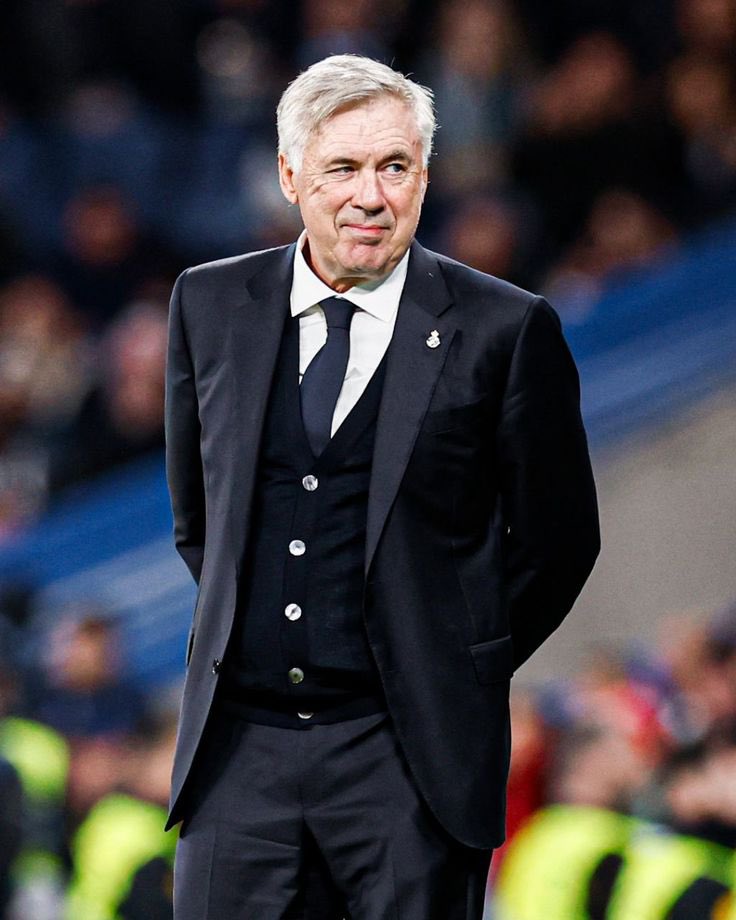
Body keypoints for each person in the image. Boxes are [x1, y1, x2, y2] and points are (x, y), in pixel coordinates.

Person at [165, 53, 600, 919]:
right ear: (290, 175)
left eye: (395, 166)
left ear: (425, 176)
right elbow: (198, 517)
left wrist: (447, 661)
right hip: (238, 759)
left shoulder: (505, 328)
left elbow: (558, 544)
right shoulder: (208, 305)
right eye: (343, 168)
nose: (371, 195)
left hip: (410, 760)